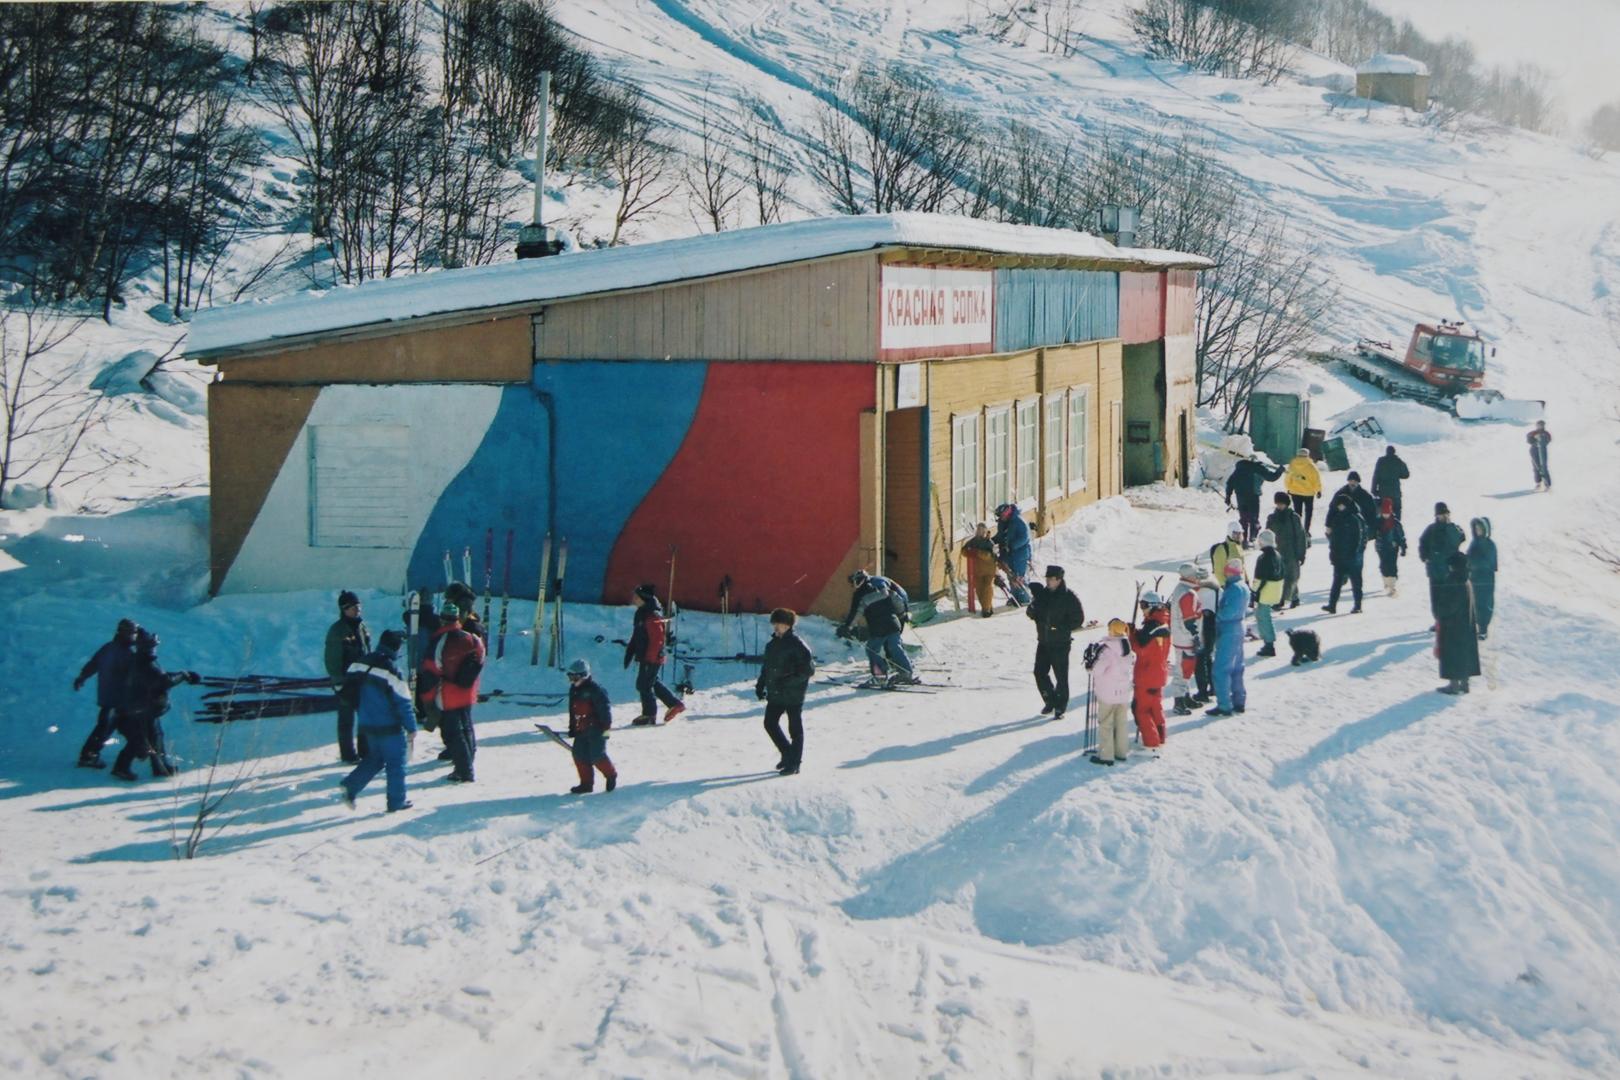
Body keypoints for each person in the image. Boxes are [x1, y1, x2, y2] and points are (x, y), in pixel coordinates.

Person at [338, 629, 418, 813]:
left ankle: (351, 785)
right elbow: (403, 702)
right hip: (389, 725)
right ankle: (396, 802)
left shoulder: (361, 662)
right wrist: (411, 727)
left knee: (375, 757)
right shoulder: (391, 670)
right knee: (396, 763)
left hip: (366, 722)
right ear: (396, 648)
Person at [110, 630, 199, 781]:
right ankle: (121, 768)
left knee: (155, 737)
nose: (154, 648)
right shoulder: (145, 663)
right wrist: (183, 675)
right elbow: (163, 681)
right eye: (152, 645)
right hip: (140, 709)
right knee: (140, 741)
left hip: (145, 709)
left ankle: (160, 767)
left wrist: (183, 675)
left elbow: (160, 676)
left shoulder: (142, 660)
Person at [418, 601, 484, 783]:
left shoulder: (439, 641)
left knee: (453, 733)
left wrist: (427, 698)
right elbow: (480, 657)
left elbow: (432, 669)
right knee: (467, 727)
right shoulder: (471, 638)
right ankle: (468, 762)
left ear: (441, 620)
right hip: (468, 690)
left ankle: (464, 771)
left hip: (447, 693)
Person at [755, 608, 815, 775]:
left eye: (779, 624)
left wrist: (788, 682)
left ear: (788, 625)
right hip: (776, 693)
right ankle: (788, 754)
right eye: (775, 624)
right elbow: (766, 668)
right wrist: (760, 686)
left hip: (793, 694)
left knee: (795, 729)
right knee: (770, 723)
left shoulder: (798, 645)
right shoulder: (772, 645)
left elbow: (807, 671)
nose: (776, 627)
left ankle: (794, 763)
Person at [73, 618, 139, 768]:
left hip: (112, 697)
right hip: (116, 698)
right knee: (105, 727)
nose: (134, 636)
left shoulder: (109, 648)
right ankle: (88, 756)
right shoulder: (124, 653)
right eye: (132, 633)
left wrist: (82, 677)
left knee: (116, 727)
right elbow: (134, 674)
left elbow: (93, 664)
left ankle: (140, 750)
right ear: (124, 633)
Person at [1026, 565, 1086, 717]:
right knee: (1039, 672)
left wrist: (1061, 628)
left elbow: (1078, 619)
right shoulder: (1043, 595)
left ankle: (1060, 706)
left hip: (1060, 643)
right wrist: (1032, 611)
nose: (1048, 582)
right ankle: (1050, 700)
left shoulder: (1068, 597)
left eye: (1051, 579)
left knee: (1061, 676)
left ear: (1059, 580)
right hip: (1044, 641)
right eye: (1047, 579)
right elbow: (1033, 612)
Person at [839, 570, 917, 687]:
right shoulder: (881, 586)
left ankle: (880, 676)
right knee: (895, 647)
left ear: (857, 581)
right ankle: (906, 672)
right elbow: (897, 599)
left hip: (878, 627)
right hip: (893, 623)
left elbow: (856, 613)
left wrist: (847, 627)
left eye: (853, 583)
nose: (852, 586)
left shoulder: (860, 595)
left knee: (872, 649)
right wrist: (902, 614)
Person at [625, 583, 685, 725]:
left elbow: (657, 640)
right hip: (646, 656)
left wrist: (650, 659)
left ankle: (649, 715)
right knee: (652, 682)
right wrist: (631, 651)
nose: (633, 598)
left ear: (643, 599)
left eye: (636, 596)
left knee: (643, 685)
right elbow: (637, 635)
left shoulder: (651, 616)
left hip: (652, 657)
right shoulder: (641, 613)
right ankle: (675, 704)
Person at [324, 590, 373, 764]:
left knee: (366, 716)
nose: (357, 610)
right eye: (352, 607)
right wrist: (337, 681)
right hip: (346, 681)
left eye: (358, 606)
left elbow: (368, 651)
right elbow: (332, 658)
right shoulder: (337, 631)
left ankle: (365, 751)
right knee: (346, 719)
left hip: (363, 680)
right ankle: (347, 754)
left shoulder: (362, 626)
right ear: (344, 609)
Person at [564, 658, 617, 793]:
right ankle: (586, 784)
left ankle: (611, 774)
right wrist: (572, 728)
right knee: (579, 755)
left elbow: (605, 711)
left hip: (596, 729)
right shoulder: (574, 690)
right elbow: (573, 710)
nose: (572, 681)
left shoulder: (596, 690)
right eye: (570, 677)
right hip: (581, 728)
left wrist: (606, 729)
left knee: (597, 755)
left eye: (575, 677)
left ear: (584, 675)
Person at [1086, 620, 1135, 766]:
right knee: (1121, 722)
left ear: (1111, 630)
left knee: (1106, 722)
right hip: (1123, 692)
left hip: (1108, 692)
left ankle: (1106, 755)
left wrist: (1090, 666)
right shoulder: (1127, 648)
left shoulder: (1107, 649)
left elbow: (1098, 670)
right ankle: (1121, 752)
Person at [1207, 559, 1249, 717]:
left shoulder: (1234, 589)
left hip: (1229, 629)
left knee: (1221, 669)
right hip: (1239, 627)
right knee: (1237, 667)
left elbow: (1228, 612)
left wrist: (1216, 616)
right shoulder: (1243, 586)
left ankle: (1224, 705)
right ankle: (1239, 700)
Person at [1434, 553, 1480, 694]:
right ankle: (1465, 684)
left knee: (1452, 654)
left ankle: (1453, 685)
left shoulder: (1454, 580)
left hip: (1453, 625)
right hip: (1467, 625)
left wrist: (1440, 614)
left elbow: (1450, 605)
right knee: (1465, 654)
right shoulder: (1467, 580)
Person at [1131, 592, 1171, 747]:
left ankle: (1152, 743)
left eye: (1144, 606)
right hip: (1158, 673)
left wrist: (1132, 635)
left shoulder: (1152, 627)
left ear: (1153, 606)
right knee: (1155, 707)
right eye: (1141, 605)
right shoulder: (1163, 621)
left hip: (1146, 675)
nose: (1142, 609)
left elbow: (1140, 649)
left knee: (1141, 711)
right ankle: (1160, 737)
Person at [1418, 502, 1466, 619]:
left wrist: (1449, 526)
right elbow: (1422, 542)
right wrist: (1424, 556)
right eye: (1441, 515)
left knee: (1449, 598)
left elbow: (1461, 538)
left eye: (1445, 514)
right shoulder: (1431, 529)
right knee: (1436, 599)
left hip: (1449, 571)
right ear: (1436, 516)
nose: (1443, 517)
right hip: (1434, 571)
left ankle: (1448, 621)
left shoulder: (1454, 528)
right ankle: (1438, 621)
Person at [1225, 454, 1285, 545]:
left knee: (1243, 518)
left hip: (1241, 496)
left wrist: (1228, 496)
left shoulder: (1239, 469)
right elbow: (1271, 477)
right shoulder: (1257, 467)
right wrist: (1279, 471)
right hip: (1253, 496)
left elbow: (1230, 483)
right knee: (1254, 518)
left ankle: (1243, 539)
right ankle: (1252, 538)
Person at [1167, 563, 1203, 715]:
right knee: (1183, 668)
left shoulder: (1180, 589)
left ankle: (1185, 696)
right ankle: (1179, 701)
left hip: (1179, 635)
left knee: (1186, 668)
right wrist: (1195, 635)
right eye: (1195, 575)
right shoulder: (1188, 593)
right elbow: (1189, 620)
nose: (1197, 577)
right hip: (1185, 637)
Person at [1323, 494, 1367, 614]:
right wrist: (1333, 553)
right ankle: (1332, 605)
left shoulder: (1356, 518)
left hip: (1353, 557)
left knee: (1356, 583)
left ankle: (1358, 605)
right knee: (1336, 582)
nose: (1340, 508)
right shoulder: (1337, 518)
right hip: (1339, 556)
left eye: (1342, 505)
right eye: (1339, 506)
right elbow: (1334, 539)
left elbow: (1361, 538)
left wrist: (1356, 553)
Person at [1265, 491, 1308, 609]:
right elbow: (1267, 534)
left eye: (1282, 503)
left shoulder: (1294, 517)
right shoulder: (1272, 518)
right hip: (1277, 551)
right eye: (1278, 503)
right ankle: (1281, 599)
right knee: (1278, 577)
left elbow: (1300, 536)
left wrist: (1301, 554)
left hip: (1291, 551)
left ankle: (1293, 597)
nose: (1280, 506)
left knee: (1292, 576)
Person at [1252, 530, 1285, 656]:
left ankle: (1269, 644)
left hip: (1265, 592)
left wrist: (1254, 591)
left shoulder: (1263, 558)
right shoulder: (1278, 555)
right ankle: (1269, 642)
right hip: (1276, 590)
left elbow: (1260, 578)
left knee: (1263, 617)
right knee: (1266, 616)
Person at [993, 503, 1034, 606]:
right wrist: (992, 541)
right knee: (1011, 577)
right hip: (1007, 555)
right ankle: (1016, 597)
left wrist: (1012, 546)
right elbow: (1001, 535)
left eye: (1001, 516)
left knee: (1019, 577)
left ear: (1006, 513)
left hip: (1020, 555)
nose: (1000, 518)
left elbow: (1024, 538)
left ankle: (1025, 598)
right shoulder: (1002, 523)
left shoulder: (1019, 522)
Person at [1329, 471, 1380, 541]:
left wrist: (1372, 529)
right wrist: (1328, 525)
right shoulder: (1340, 494)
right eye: (1351, 481)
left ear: (1358, 482)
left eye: (1355, 481)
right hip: (1342, 527)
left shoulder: (1365, 496)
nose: (1352, 483)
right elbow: (1332, 509)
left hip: (1360, 528)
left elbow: (1372, 513)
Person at [1468, 518, 1497, 640]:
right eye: (1476, 528)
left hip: (1486, 580)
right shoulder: (1474, 543)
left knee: (1485, 604)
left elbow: (1490, 563)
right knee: (1473, 603)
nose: (1478, 530)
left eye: (1480, 528)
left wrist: (1475, 563)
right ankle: (1475, 626)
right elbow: (1469, 557)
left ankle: (1483, 629)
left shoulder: (1490, 545)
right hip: (1474, 579)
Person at [961, 523, 998, 616]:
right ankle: (987, 606)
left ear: (985, 531)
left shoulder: (989, 543)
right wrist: (968, 552)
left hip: (989, 570)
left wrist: (978, 552)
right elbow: (964, 551)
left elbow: (990, 556)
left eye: (981, 530)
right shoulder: (972, 541)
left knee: (987, 588)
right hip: (977, 571)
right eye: (978, 530)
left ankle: (986, 610)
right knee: (979, 590)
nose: (979, 532)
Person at [1194, 573, 1220, 704]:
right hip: (1215, 623)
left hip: (1203, 624)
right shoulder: (1217, 589)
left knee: (1200, 659)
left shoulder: (1199, 591)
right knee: (1209, 656)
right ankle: (1214, 686)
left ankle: (1202, 691)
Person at [1284, 449, 1323, 535]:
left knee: (1297, 512)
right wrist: (1318, 490)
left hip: (1295, 492)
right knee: (1308, 512)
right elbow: (1316, 479)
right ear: (1307, 455)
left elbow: (1287, 478)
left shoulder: (1292, 465)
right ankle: (1306, 530)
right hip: (1308, 493)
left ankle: (1298, 529)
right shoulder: (1311, 466)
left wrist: (1289, 488)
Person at [1375, 497, 1408, 599]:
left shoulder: (1395, 523)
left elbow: (1401, 536)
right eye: (1384, 513)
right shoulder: (1378, 522)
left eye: (1387, 513)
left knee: (1392, 565)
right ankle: (1386, 581)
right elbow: (1374, 533)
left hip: (1393, 548)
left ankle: (1392, 586)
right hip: (1381, 547)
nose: (1385, 515)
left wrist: (1403, 547)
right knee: (1383, 565)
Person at [1371, 445, 1410, 521]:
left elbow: (1376, 476)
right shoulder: (1398, 461)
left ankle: (1383, 530)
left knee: (1382, 515)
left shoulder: (1381, 461)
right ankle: (1397, 528)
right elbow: (1406, 475)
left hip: (1383, 493)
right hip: (1395, 494)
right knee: (1397, 514)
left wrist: (1374, 490)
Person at [1527, 420, 1552, 491]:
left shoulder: (1546, 433)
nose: (1540, 426)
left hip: (1542, 450)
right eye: (1539, 425)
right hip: (1534, 450)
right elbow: (1528, 439)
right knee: (1536, 467)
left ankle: (1547, 484)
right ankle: (1538, 483)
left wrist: (1542, 440)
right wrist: (1535, 440)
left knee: (1543, 467)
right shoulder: (1533, 433)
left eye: (1542, 425)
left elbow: (1548, 440)